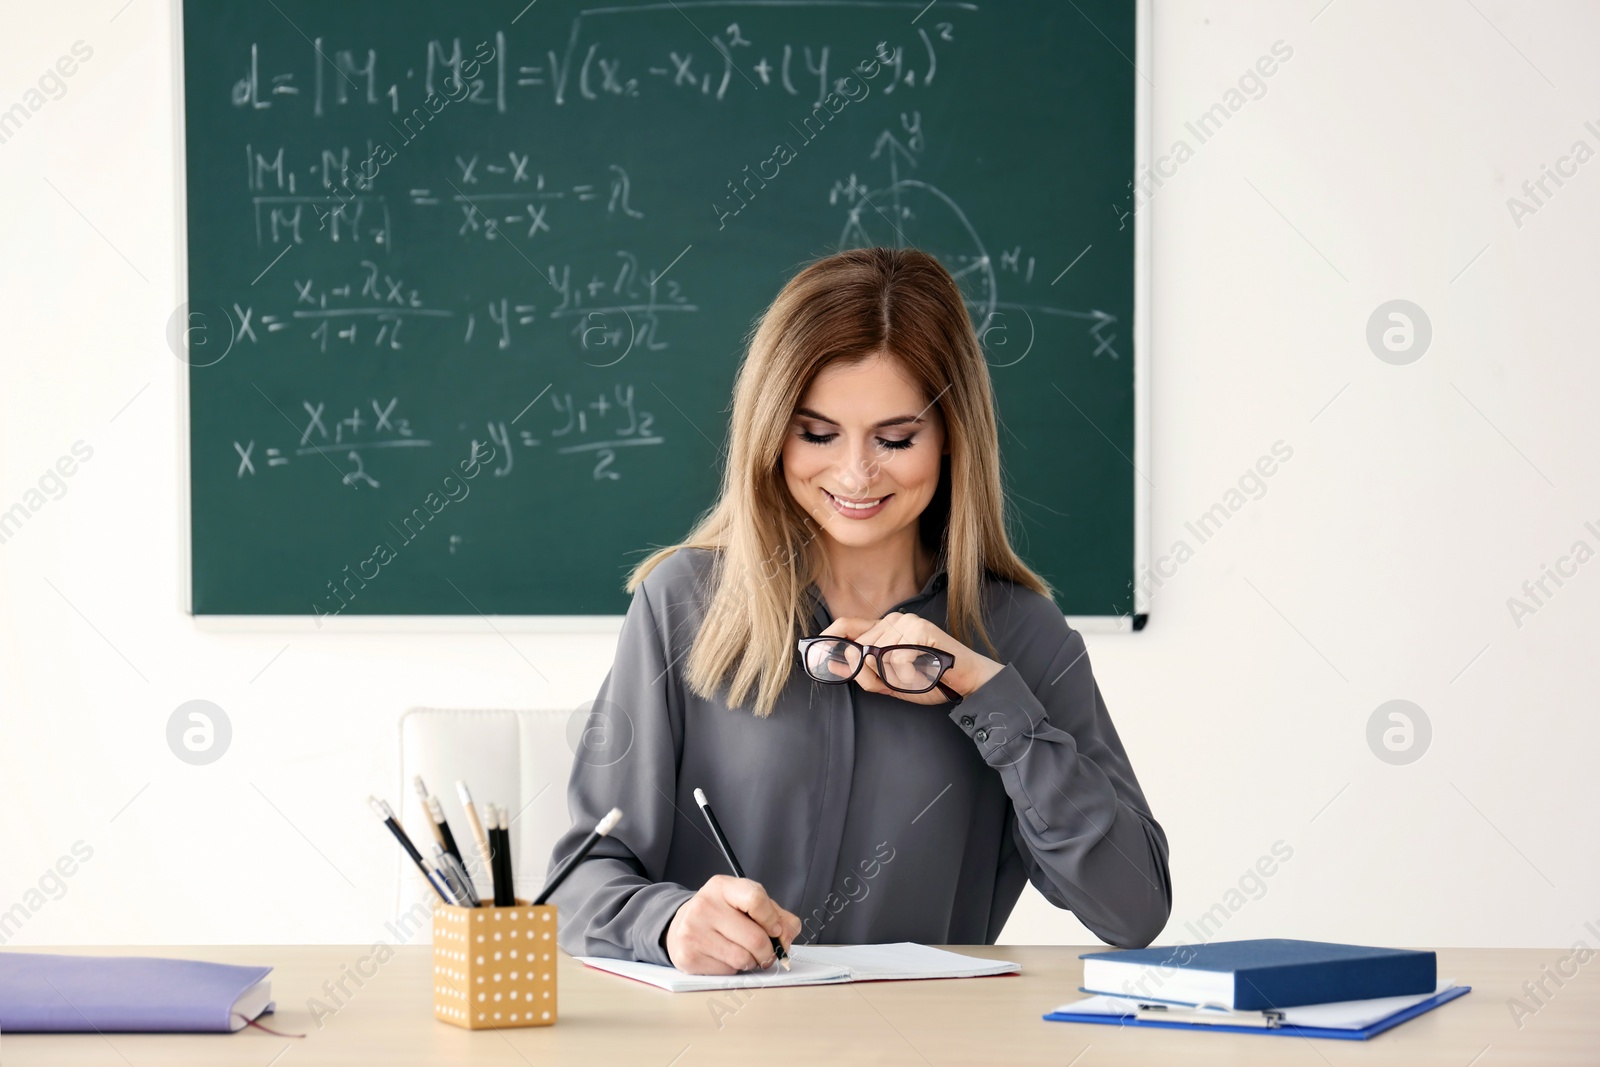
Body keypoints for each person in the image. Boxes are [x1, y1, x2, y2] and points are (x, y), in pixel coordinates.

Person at [545, 246, 1170, 974]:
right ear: (771, 434)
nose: (854, 473)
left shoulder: (1023, 635)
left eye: (896, 439)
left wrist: (992, 698)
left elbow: (1134, 908)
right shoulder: (681, 604)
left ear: (950, 440)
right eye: (817, 434)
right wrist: (670, 921)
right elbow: (579, 885)